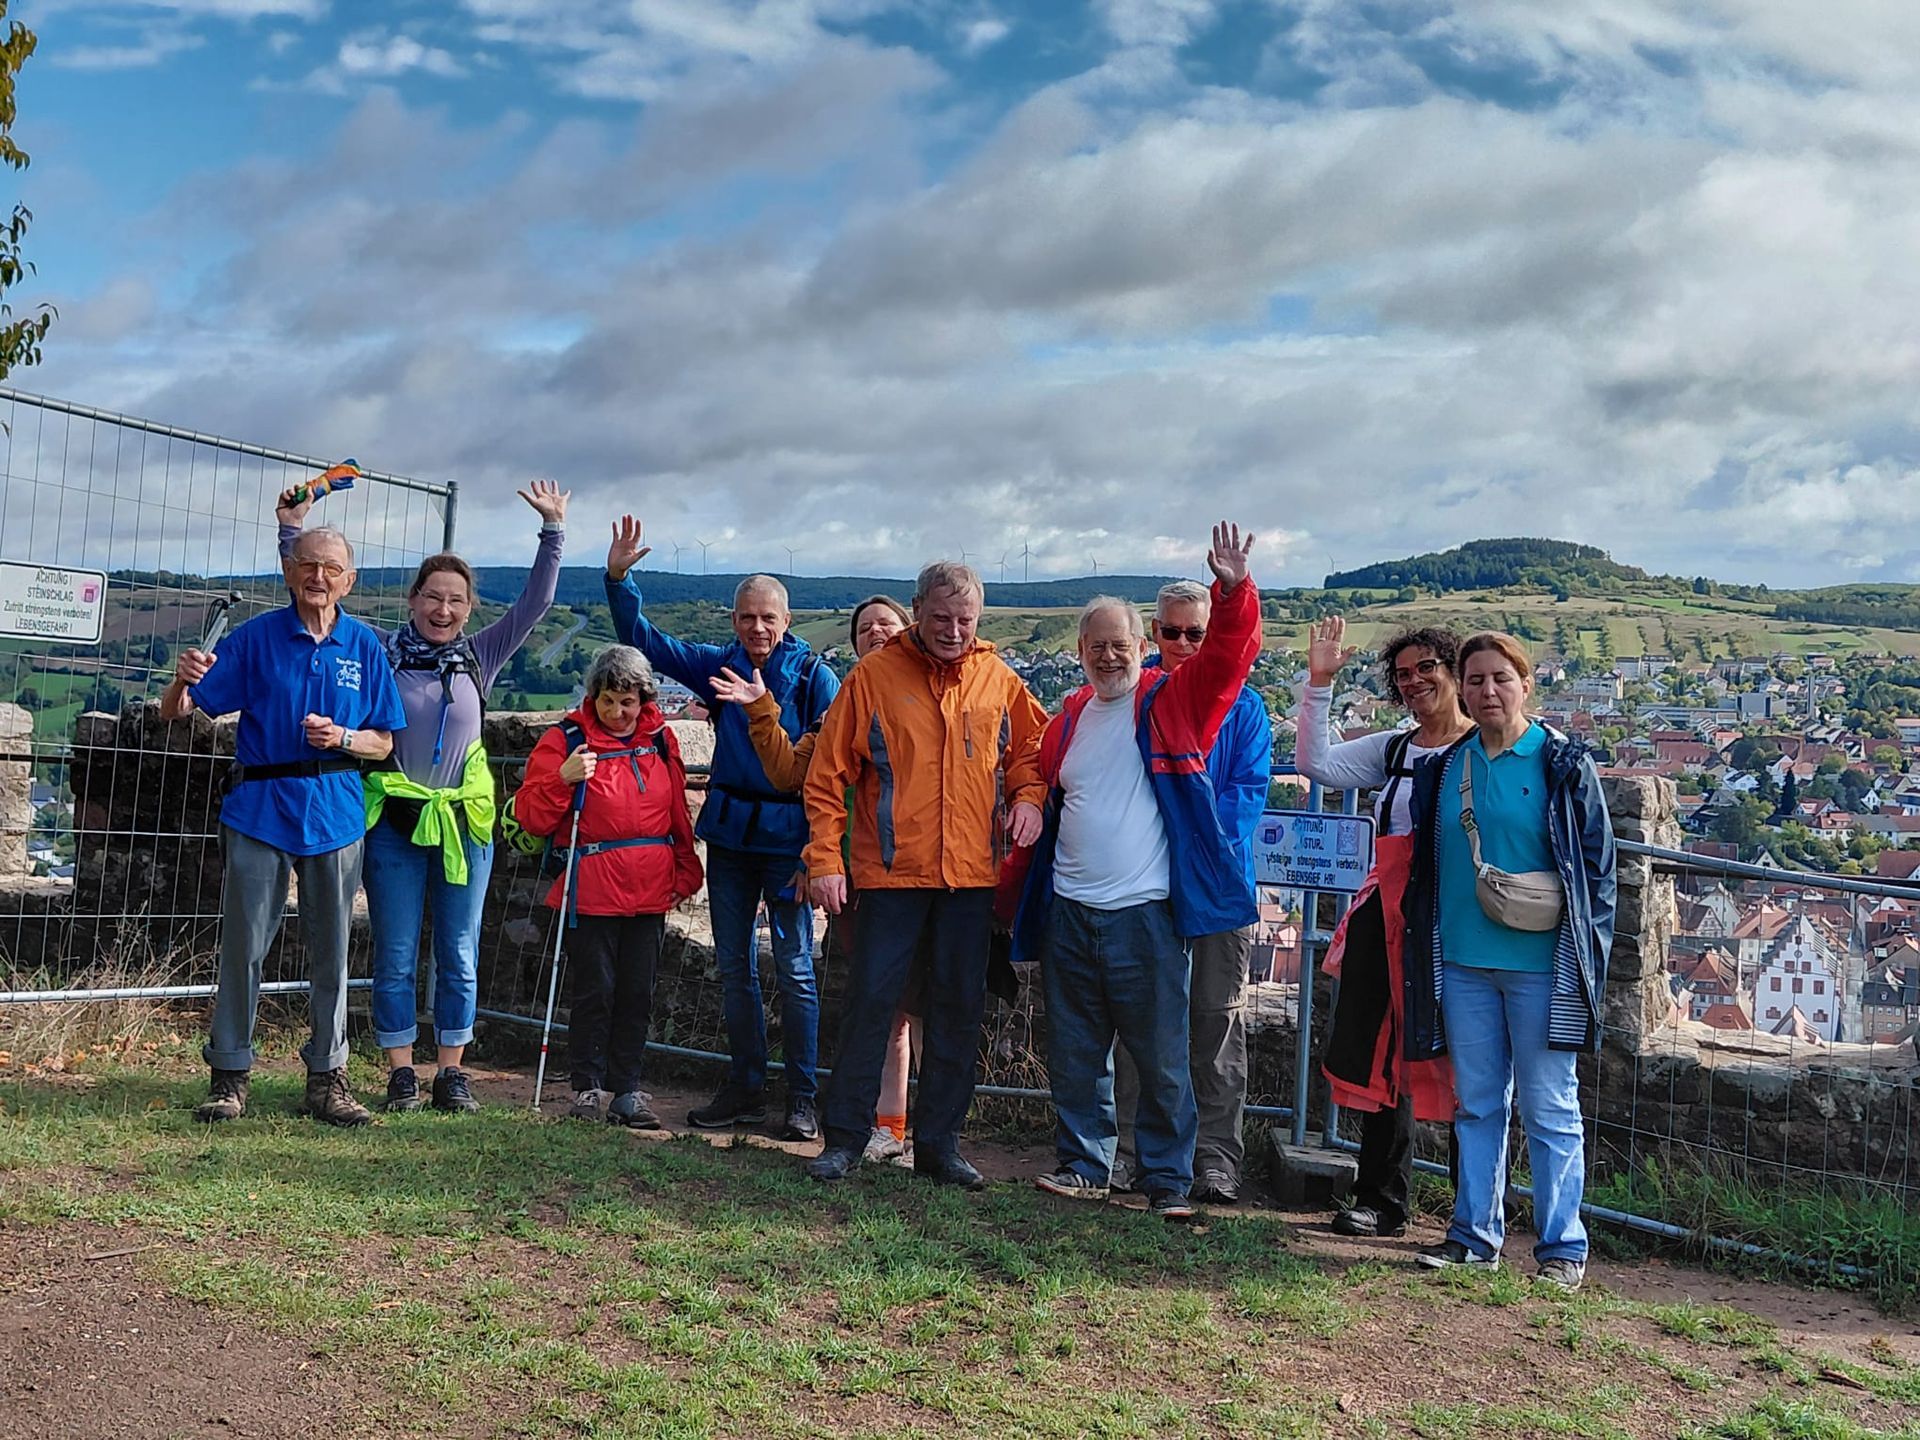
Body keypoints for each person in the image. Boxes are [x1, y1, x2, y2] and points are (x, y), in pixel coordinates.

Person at [278, 479, 569, 1114]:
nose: (443, 609)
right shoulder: (380, 652)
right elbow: (314, 597)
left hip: (463, 823)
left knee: (459, 951)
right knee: (396, 952)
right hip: (394, 823)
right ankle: (402, 1071)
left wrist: (552, 531)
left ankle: (452, 1073)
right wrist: (291, 532)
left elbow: (537, 604)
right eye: (433, 596)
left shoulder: (481, 656)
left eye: (456, 600)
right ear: (412, 600)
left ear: (469, 608)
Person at [1003, 523, 1260, 1222]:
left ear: (1141, 647)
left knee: (1161, 1053)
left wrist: (1233, 591)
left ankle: (1167, 1179)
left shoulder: (1170, 703)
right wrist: (1026, 799)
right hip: (1069, 910)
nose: (1109, 655)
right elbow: (1036, 770)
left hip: (1144, 912)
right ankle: (1085, 1165)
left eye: (1120, 644)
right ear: (1079, 652)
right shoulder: (1071, 717)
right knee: (1078, 1051)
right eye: (1097, 646)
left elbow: (1228, 660)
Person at [801, 561, 1049, 1188]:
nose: (953, 631)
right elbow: (826, 776)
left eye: (966, 620)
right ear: (916, 611)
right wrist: (824, 860)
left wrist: (1028, 797)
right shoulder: (872, 677)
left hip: (969, 879)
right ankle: (845, 1140)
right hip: (890, 877)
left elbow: (1033, 751)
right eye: (941, 617)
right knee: (870, 1006)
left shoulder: (999, 679)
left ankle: (940, 1146)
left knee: (959, 1012)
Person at [159, 526, 405, 1126]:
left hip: (336, 812)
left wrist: (342, 737)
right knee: (244, 947)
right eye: (308, 565)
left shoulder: (365, 646)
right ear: (290, 572)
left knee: (333, 953)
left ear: (349, 581)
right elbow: (178, 711)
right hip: (260, 810)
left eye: (332, 568)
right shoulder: (255, 638)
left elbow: (383, 742)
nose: (319, 577)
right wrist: (181, 678)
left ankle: (328, 1079)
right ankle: (229, 1076)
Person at [603, 517, 839, 1140]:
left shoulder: (816, 678)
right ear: (734, 620)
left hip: (789, 841)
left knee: (795, 968)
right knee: (735, 967)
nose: (757, 628)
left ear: (786, 620)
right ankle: (745, 1088)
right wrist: (619, 580)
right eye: (747, 617)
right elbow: (646, 643)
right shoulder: (719, 665)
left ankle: (803, 1097)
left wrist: (815, 852)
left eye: (768, 618)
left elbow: (830, 772)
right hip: (732, 839)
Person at [1402, 631, 1616, 1290]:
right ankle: (1474, 1236)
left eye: (1501, 678)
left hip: (1542, 967)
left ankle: (1562, 1249)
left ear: (1526, 683)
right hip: (1462, 962)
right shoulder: (1446, 767)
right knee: (1477, 1105)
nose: (1488, 691)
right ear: (1461, 690)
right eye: (1475, 680)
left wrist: (1589, 960)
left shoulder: (1561, 763)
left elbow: (1598, 873)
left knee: (1550, 1107)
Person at [710, 594, 923, 1160]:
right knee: (882, 1010)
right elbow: (792, 775)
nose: (876, 632)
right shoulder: (843, 703)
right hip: (859, 876)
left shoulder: (929, 695)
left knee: (926, 1007)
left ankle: (931, 1136)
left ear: (909, 629)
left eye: (887, 624)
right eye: (865, 627)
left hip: (924, 874)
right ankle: (890, 1129)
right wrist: (762, 710)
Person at [1297, 617, 1469, 1239]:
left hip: (1458, 922)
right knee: (1385, 1057)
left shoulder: (1486, 747)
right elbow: (1315, 762)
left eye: (1427, 668)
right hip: (1391, 918)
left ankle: (1474, 1212)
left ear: (1454, 672)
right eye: (1402, 674)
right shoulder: (1395, 750)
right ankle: (1381, 1199)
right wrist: (1320, 683)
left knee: (1469, 1059)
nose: (1414, 681)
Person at [1110, 578, 1274, 1204]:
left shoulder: (1246, 707)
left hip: (1218, 888)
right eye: (1171, 631)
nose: (1182, 643)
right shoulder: (1135, 697)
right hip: (1146, 882)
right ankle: (1129, 1152)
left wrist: (1187, 844)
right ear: (1154, 632)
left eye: (1196, 633)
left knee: (1215, 1023)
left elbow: (1244, 798)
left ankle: (1215, 1159)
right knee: (1140, 1024)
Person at [511, 646, 704, 1125]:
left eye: (628, 702)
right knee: (594, 990)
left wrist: (687, 869)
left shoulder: (661, 740)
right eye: (608, 701)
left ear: (644, 699)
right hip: (593, 886)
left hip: (650, 884)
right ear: (593, 696)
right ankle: (588, 1087)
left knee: (638, 992)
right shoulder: (567, 740)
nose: (618, 712)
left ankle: (628, 1089)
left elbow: (677, 812)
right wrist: (563, 778)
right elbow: (532, 816)